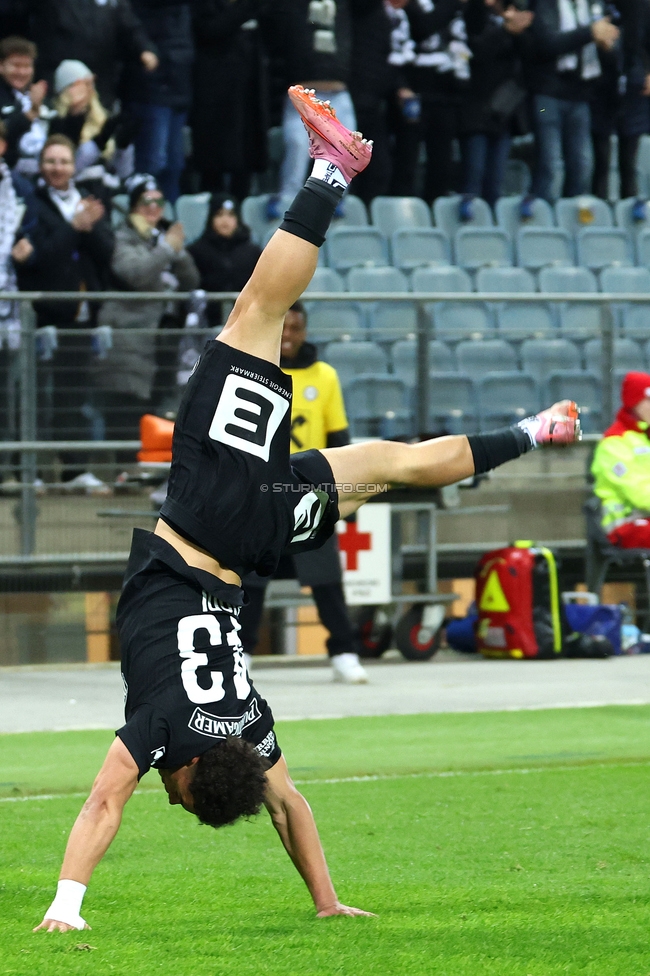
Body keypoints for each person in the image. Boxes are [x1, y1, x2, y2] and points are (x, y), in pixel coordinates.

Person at [34, 87, 579, 933]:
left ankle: (534, 431)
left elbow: (289, 806)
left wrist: (328, 901)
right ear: (189, 775)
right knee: (258, 313)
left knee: (390, 465)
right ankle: (332, 171)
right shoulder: (167, 728)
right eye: (178, 796)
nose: (165, 794)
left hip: (257, 535)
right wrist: (66, 908)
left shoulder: (254, 728)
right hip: (214, 513)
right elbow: (106, 803)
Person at [239, 300, 369, 684]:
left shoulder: (324, 376)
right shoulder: (252, 370)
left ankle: (344, 653)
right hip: (261, 491)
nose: (288, 336)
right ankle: (241, 655)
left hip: (308, 492)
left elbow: (339, 440)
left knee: (326, 579)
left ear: (305, 332)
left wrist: (347, 494)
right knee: (250, 581)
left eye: (295, 328)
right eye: (283, 327)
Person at [15, 133, 114, 485]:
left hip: (83, 317)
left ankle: (75, 470)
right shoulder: (31, 204)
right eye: (51, 161)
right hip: (43, 318)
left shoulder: (88, 201)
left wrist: (90, 227)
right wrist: (73, 228)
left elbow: (107, 254)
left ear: (74, 166)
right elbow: (36, 259)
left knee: (73, 396)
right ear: (41, 166)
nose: (57, 168)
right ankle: (29, 473)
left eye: (64, 161)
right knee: (35, 397)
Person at [93, 174, 199, 444]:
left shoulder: (161, 237)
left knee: (159, 413)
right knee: (127, 417)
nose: (153, 207)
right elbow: (136, 274)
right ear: (132, 206)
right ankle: (124, 466)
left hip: (161, 344)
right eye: (145, 201)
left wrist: (178, 251)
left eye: (158, 202)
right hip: (129, 342)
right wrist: (167, 249)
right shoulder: (121, 238)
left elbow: (192, 281)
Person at [263, 0, 357, 217]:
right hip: (304, 92)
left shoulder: (343, 7)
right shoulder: (293, 7)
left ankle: (334, 197)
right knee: (298, 145)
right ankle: (287, 198)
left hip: (339, 92)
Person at [525, 0, 619, 203]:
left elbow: (613, 54)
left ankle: (572, 214)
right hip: (546, 97)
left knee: (582, 164)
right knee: (549, 162)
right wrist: (589, 33)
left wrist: (607, 45)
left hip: (580, 96)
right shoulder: (547, 4)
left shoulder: (593, 5)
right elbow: (547, 43)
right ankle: (541, 213)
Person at [459, 0, 532, 213]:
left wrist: (518, 31)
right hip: (475, 109)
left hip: (504, 111)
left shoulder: (516, 13)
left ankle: (491, 225)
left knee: (496, 180)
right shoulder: (474, 13)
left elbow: (532, 55)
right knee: (474, 176)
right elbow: (477, 51)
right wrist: (505, 30)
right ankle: (470, 224)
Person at [191, 0, 269, 199]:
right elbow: (210, 30)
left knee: (245, 158)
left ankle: (240, 210)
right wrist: (247, 7)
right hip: (215, 94)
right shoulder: (207, 7)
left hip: (249, 93)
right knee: (213, 163)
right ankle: (215, 212)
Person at [400, 0, 473, 204]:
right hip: (414, 92)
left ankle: (435, 209)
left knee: (442, 162)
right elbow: (422, 27)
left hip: (448, 94)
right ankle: (402, 211)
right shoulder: (414, 4)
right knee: (407, 159)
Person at [122, 0, 194, 204]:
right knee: (153, 163)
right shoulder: (138, 10)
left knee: (174, 164)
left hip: (179, 87)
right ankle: (142, 213)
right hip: (150, 90)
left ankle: (168, 215)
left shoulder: (183, 10)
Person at [29, 0, 159, 109]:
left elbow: (130, 27)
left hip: (100, 82)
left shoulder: (114, 3)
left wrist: (144, 49)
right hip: (59, 80)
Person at [49, 59, 136, 187]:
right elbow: (67, 170)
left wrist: (124, 148)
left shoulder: (102, 120)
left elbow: (123, 173)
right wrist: (97, 144)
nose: (88, 88)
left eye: (89, 83)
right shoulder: (55, 123)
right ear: (66, 89)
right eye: (82, 84)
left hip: (107, 188)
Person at [591, 371, 650, 547]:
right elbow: (639, 493)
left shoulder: (645, 437)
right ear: (634, 403)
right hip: (625, 524)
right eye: (648, 401)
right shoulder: (613, 444)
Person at [187, 193, 262, 327]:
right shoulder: (196, 251)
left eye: (230, 215)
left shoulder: (252, 251)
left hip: (245, 322)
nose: (225, 220)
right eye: (219, 215)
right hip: (208, 322)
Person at [0, 35, 50, 174]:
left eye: (27, 66)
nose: (21, 72)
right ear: (1, 66)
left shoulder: (38, 96)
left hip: (45, 170)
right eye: (16, 65)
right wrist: (28, 115)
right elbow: (4, 136)